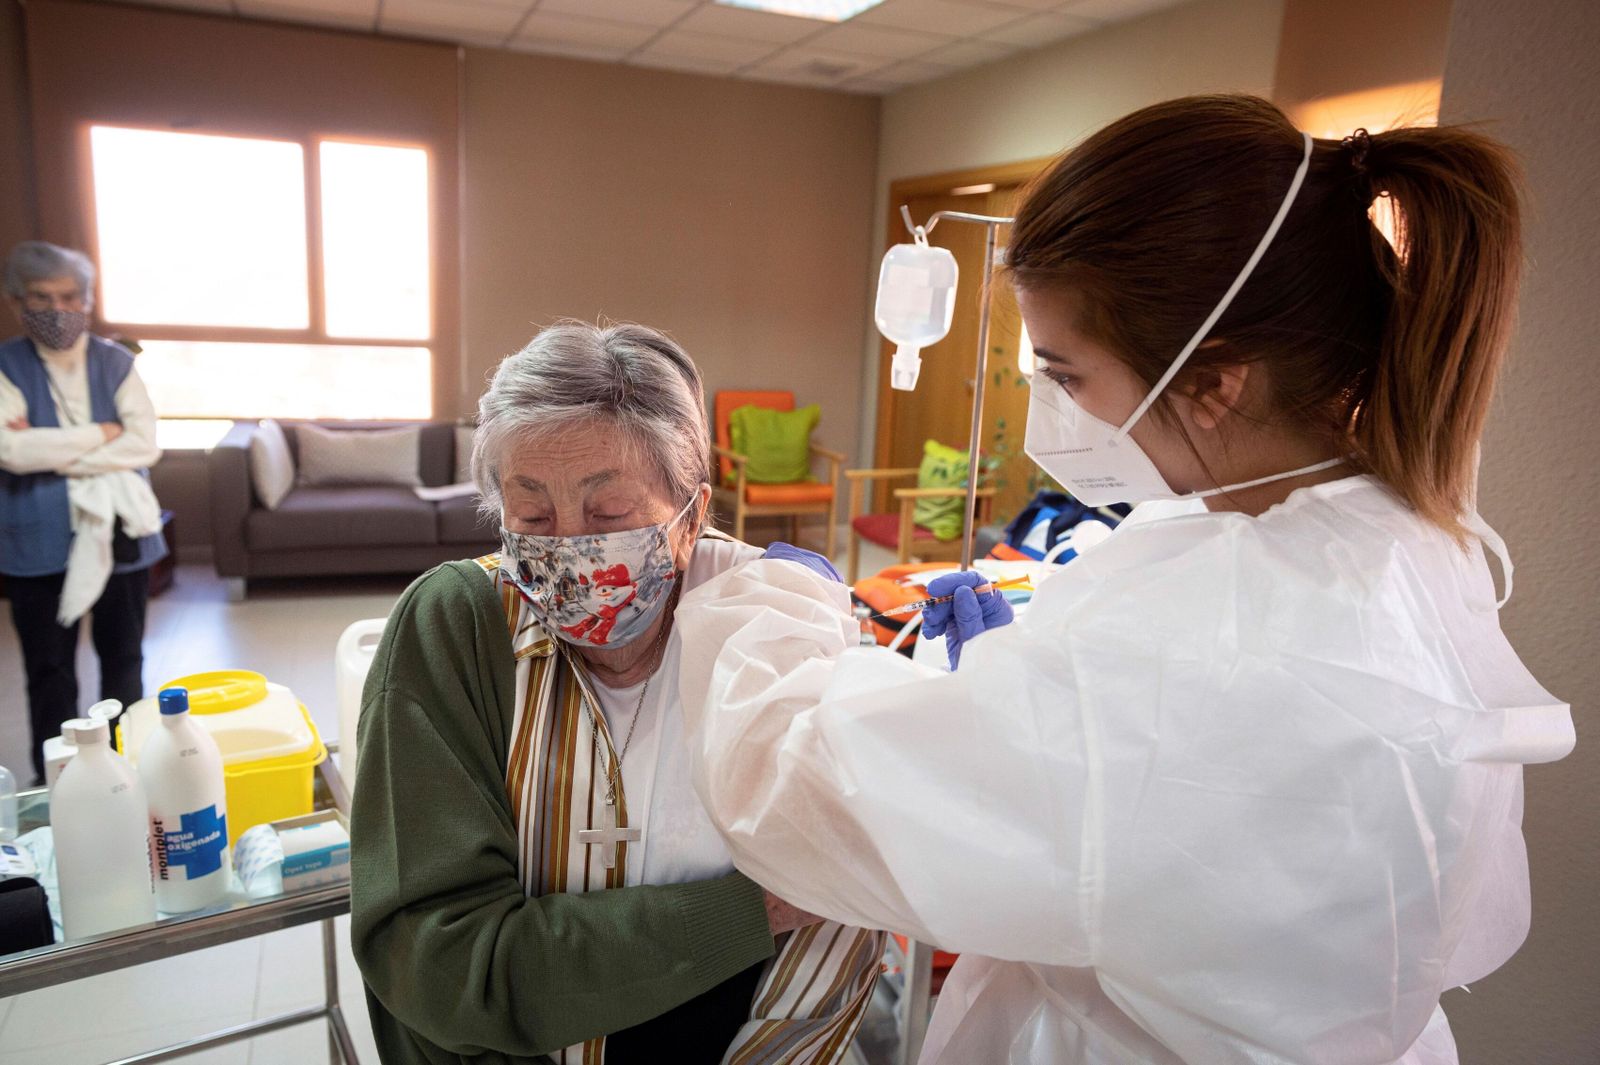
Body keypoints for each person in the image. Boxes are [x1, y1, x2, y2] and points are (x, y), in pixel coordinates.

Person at [675, 95, 1575, 1065]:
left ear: (1213, 381)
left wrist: (772, 603)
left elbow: (800, 798)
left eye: (1065, 376)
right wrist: (1026, 694)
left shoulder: (1202, 633)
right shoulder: (1402, 535)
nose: (1055, 409)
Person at [349, 322, 883, 1065]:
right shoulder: (453, 629)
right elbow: (441, 965)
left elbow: (843, 906)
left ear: (691, 520)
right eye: (532, 517)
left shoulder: (772, 623)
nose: (568, 548)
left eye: (608, 515)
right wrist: (750, 911)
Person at [0, 241, 165, 785]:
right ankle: (61, 783)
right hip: (35, 541)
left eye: (70, 297)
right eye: (41, 298)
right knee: (50, 671)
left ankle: (125, 773)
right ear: (16, 302)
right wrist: (102, 434)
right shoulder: (7, 366)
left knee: (124, 660)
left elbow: (144, 445)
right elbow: (10, 451)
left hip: (121, 535)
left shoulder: (116, 363)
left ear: (88, 301)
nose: (58, 309)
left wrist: (51, 449)